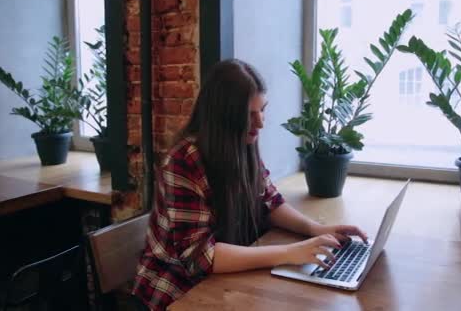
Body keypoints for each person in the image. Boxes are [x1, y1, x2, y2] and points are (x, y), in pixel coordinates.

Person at [132, 59, 367, 311]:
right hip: (175, 290)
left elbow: (270, 201)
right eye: (249, 115)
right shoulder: (182, 161)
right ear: (223, 118)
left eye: (263, 110)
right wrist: (290, 252)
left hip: (219, 280)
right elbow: (199, 257)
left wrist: (315, 229)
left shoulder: (242, 144)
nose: (261, 123)